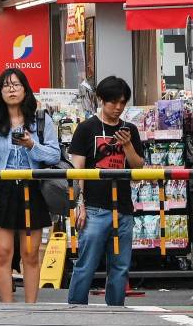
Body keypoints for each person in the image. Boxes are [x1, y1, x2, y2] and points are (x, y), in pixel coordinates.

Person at [0, 68, 61, 303]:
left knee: (30, 253)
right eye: (6, 86)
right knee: (4, 253)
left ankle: (31, 309)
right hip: (3, 190)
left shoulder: (41, 119)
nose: (12, 89)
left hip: (33, 189)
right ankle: (8, 308)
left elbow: (55, 155)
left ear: (25, 89)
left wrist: (31, 145)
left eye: (16, 85)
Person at [67, 76, 145, 306]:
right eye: (113, 102)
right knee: (86, 264)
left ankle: (116, 312)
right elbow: (77, 169)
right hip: (94, 208)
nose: (118, 107)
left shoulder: (129, 129)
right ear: (101, 100)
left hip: (123, 208)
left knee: (120, 266)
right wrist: (78, 203)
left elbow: (138, 168)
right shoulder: (86, 128)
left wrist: (128, 145)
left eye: (122, 102)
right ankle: (75, 309)